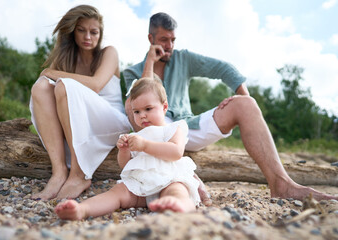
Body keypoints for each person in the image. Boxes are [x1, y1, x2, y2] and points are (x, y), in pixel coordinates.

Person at [123, 12, 338, 201]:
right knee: (128, 103)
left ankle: (282, 185)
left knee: (245, 104)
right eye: (163, 39)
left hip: (186, 126)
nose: (169, 46)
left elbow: (224, 68)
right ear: (150, 38)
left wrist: (245, 101)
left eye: (172, 39)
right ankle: (183, 174)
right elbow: (137, 103)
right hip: (151, 136)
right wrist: (150, 63)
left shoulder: (183, 58)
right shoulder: (131, 73)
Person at [54, 77, 200, 220]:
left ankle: (178, 206)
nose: (142, 115)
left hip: (170, 179)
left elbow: (175, 152)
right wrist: (124, 151)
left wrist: (145, 145)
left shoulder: (174, 128)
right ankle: (82, 209)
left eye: (148, 109)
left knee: (177, 192)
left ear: (164, 107)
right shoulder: (137, 136)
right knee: (117, 192)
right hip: (142, 185)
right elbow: (126, 166)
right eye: (136, 112)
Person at [29, 5, 131, 200]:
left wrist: (50, 72)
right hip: (80, 121)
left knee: (63, 86)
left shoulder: (109, 53)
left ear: (100, 34)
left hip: (110, 120)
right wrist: (48, 75)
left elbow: (95, 85)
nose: (88, 37)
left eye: (94, 32)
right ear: (72, 32)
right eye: (81, 30)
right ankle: (59, 173)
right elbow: (46, 86)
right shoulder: (67, 59)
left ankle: (79, 174)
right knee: (41, 87)